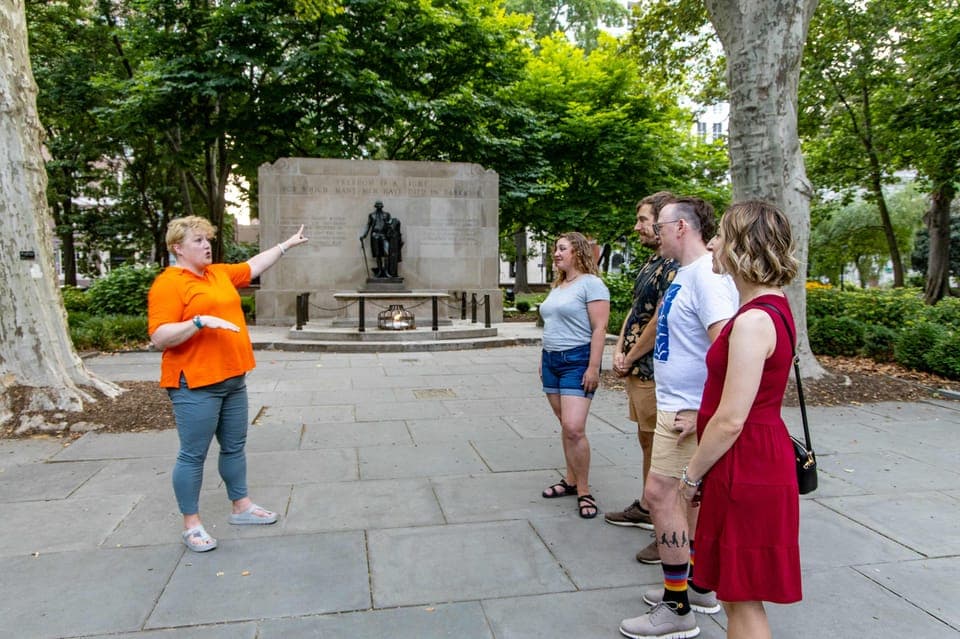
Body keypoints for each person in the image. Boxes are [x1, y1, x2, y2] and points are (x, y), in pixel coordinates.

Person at [678, 201, 803, 638]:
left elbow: (732, 418)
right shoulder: (772, 306)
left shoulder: (753, 320)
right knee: (738, 596)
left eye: (721, 235)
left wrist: (691, 477)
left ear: (742, 247)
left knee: (743, 599)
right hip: (752, 458)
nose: (711, 243)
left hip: (745, 464)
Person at [147, 216, 308, 552]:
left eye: (207, 239)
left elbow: (252, 266)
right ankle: (191, 526)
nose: (206, 245)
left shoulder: (217, 273)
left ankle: (242, 507)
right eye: (198, 241)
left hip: (234, 378)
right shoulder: (170, 283)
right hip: (195, 384)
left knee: (234, 447)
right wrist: (197, 322)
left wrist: (285, 245)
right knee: (193, 455)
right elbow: (160, 336)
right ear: (177, 247)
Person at [619, 197, 738, 639]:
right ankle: (699, 587)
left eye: (662, 226)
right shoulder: (686, 275)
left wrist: (703, 408)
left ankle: (676, 607)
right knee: (679, 499)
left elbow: (728, 351)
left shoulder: (706, 277)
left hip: (686, 412)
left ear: (683, 227)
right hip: (678, 405)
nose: (655, 233)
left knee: (661, 496)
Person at [606, 192, 678, 566]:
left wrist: (632, 355)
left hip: (654, 371)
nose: (637, 227)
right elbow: (636, 310)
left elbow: (658, 319)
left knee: (664, 449)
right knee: (647, 441)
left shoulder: (675, 267)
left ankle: (667, 526)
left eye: (643, 220)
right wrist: (619, 349)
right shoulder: (653, 261)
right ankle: (649, 505)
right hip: (636, 368)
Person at [538, 232, 610, 519]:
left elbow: (599, 329)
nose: (556, 253)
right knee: (566, 426)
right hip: (550, 361)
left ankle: (584, 490)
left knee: (574, 427)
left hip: (576, 361)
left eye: (562, 249)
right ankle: (569, 481)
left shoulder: (591, 284)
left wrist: (594, 367)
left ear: (578, 252)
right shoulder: (559, 286)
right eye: (556, 249)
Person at [359, 201, 396, 278]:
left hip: (384, 236)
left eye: (380, 206)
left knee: (386, 253)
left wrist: (389, 224)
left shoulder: (387, 214)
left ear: (382, 206)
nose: (379, 207)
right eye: (378, 206)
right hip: (375, 235)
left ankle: (386, 272)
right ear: (375, 206)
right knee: (378, 254)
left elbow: (391, 224)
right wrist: (364, 235)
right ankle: (379, 271)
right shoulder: (372, 215)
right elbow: (368, 225)